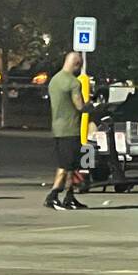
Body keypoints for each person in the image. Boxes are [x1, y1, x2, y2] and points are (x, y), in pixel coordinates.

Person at [43, 51, 87, 211]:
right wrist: (93, 106)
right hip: (71, 127)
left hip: (57, 126)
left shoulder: (54, 80)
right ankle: (53, 195)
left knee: (71, 165)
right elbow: (80, 105)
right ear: (77, 64)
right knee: (66, 165)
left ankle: (69, 197)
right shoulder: (73, 83)